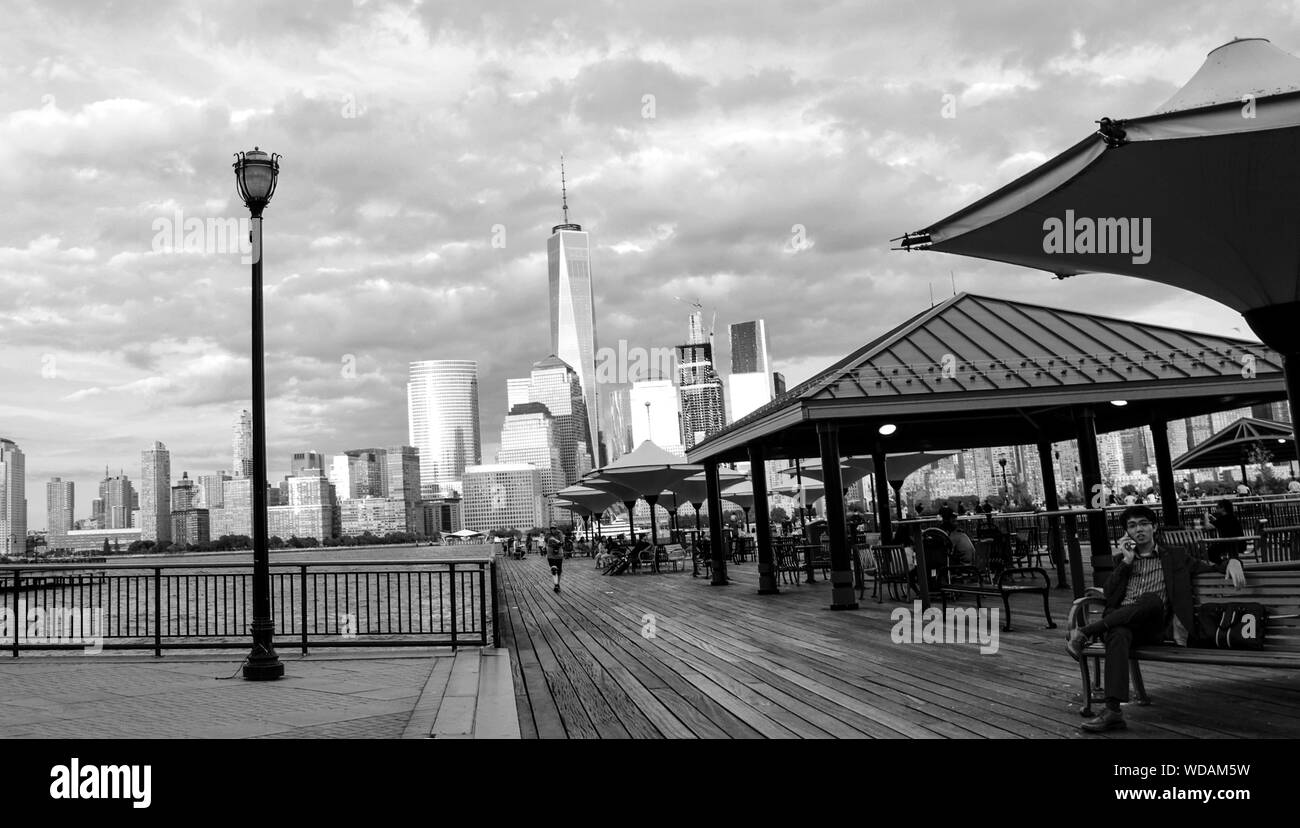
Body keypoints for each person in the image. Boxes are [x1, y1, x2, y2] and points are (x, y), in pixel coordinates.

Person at [1067, 505, 1246, 733]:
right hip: (1123, 624)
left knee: (1151, 599)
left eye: (1143, 524)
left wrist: (1233, 561)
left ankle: (1085, 632)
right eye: (1132, 526)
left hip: (1154, 626)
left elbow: (1210, 567)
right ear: (1126, 534)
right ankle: (1113, 712)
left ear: (1154, 527)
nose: (1138, 529)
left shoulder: (1175, 556)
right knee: (1118, 634)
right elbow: (1110, 595)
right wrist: (1126, 561)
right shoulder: (1123, 560)